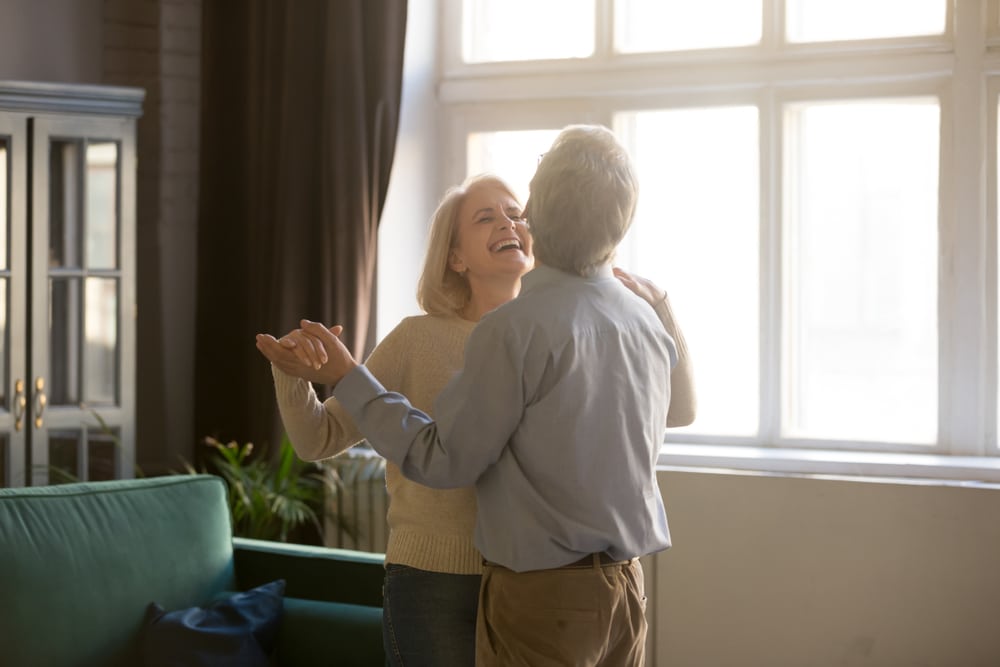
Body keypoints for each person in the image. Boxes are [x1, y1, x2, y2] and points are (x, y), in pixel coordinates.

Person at [274, 124, 695, 666]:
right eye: (486, 217)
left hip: (535, 585)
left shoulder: (531, 328)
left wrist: (351, 376)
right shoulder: (432, 336)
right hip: (461, 580)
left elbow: (445, 458)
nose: (510, 223)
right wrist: (296, 371)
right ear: (455, 257)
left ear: (538, 222)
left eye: (516, 212)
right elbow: (319, 438)